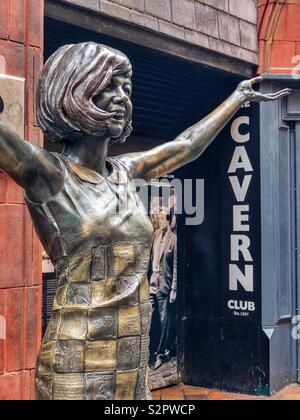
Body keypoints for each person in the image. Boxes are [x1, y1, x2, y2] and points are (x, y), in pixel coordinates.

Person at [0, 42, 290, 400]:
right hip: (78, 359)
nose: (122, 97)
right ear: (73, 91)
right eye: (109, 86)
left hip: (133, 358)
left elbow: (185, 146)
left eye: (126, 87)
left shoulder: (125, 171)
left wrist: (237, 98)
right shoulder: (49, 175)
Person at [149, 212, 177, 369]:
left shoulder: (173, 240)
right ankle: (152, 351)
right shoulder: (156, 235)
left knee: (164, 321)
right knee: (151, 320)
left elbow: (176, 267)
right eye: (157, 218)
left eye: (161, 219)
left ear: (168, 220)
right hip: (152, 283)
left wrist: (174, 288)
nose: (158, 221)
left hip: (164, 286)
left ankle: (161, 353)